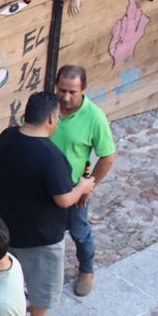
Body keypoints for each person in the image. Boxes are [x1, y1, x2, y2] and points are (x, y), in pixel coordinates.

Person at [0, 93, 94, 316]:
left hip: (8, 224)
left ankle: (6, 314)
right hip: (41, 234)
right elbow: (63, 199)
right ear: (51, 118)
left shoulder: (7, 137)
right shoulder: (50, 155)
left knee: (11, 276)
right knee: (43, 286)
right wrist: (83, 186)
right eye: (57, 118)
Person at [50, 66, 115, 298]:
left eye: (72, 92)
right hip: (45, 186)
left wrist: (89, 186)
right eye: (62, 90)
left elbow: (107, 155)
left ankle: (86, 270)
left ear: (83, 90)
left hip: (74, 188)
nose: (66, 97)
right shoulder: (49, 107)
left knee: (79, 231)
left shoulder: (95, 117)